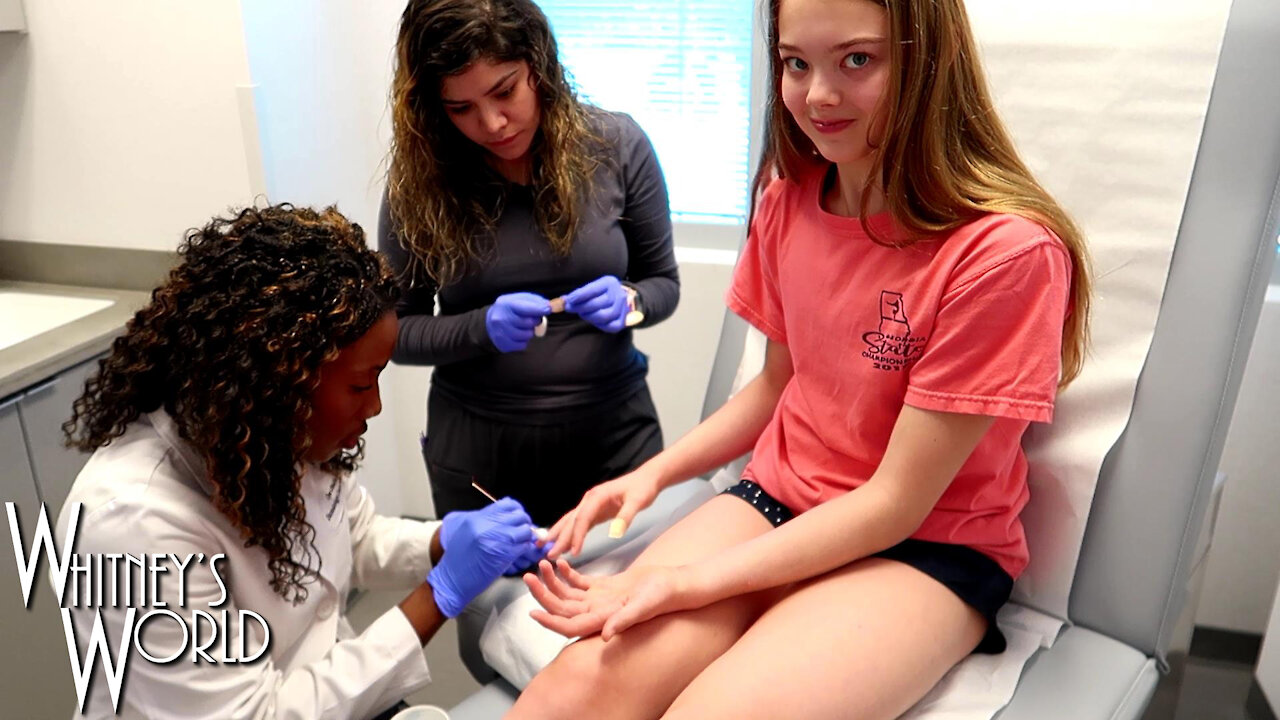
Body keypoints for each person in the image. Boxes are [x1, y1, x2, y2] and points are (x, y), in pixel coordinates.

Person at [510, 0, 1093, 718]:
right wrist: (648, 478)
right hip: (776, 501)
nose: (818, 95)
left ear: (928, 59)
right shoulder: (786, 200)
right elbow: (778, 386)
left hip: (918, 546)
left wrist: (689, 583)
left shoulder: (1003, 257)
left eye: (858, 59)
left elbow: (893, 503)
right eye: (796, 63)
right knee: (574, 691)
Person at [56, 205, 545, 719]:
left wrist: (440, 541)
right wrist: (437, 596)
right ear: (278, 383)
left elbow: (349, 535)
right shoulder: (131, 526)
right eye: (361, 383)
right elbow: (258, 716)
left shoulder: (267, 438)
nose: (375, 405)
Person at [378, 0, 680, 528]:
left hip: (615, 439)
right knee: (491, 607)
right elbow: (393, 334)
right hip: (481, 453)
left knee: (628, 603)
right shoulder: (420, 185)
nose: (492, 123)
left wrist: (631, 303)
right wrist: (480, 328)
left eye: (504, 91)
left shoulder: (615, 145)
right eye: (460, 108)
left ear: (537, 64)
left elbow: (663, 284)